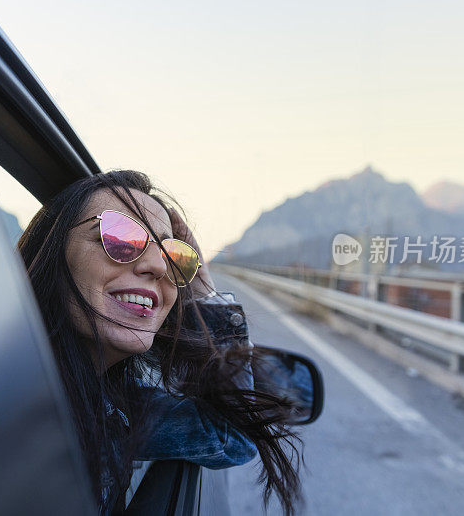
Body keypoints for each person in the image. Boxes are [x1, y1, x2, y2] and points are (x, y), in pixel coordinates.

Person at [17, 170, 302, 514]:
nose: (157, 266)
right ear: (51, 254)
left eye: (175, 259)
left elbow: (229, 435)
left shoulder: (117, 405)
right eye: (120, 237)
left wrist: (203, 290)